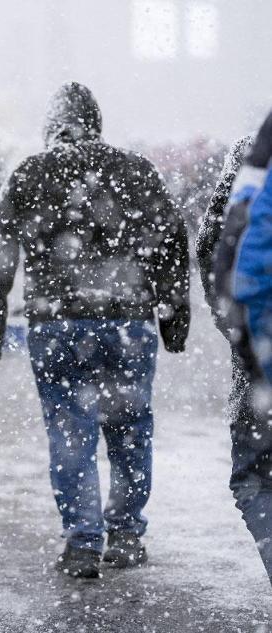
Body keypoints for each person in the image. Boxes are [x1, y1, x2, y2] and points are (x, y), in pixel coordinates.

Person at [0, 82, 190, 579]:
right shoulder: (135, 170)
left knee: (70, 431)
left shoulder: (30, 173)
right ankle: (127, 533)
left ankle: (83, 541)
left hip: (58, 322)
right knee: (131, 429)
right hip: (127, 319)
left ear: (52, 128)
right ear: (97, 124)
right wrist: (172, 320)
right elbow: (170, 244)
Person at [202, 113, 272, 586]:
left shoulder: (252, 160)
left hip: (260, 349)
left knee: (255, 477)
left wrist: (235, 326)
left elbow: (213, 243)